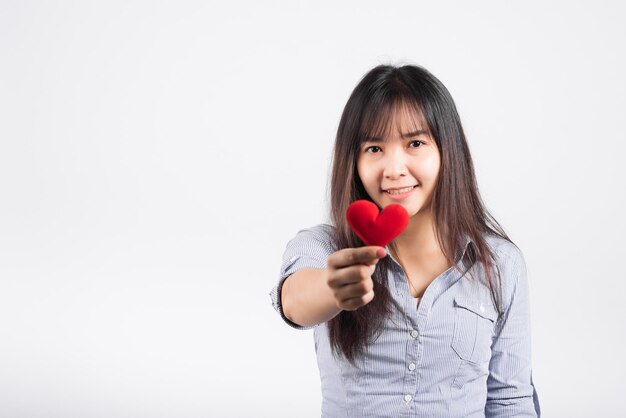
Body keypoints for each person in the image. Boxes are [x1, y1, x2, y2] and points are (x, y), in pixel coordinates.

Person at [269, 64, 540, 417]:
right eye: (374, 148)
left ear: (448, 151)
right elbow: (294, 301)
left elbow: (510, 401)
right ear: (354, 160)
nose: (394, 168)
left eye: (415, 143)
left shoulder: (501, 264)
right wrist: (331, 289)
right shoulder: (323, 246)